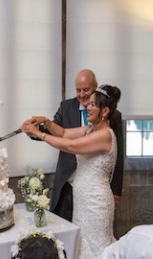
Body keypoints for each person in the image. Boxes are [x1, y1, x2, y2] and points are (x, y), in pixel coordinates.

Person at [20, 84, 121, 259]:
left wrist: (39, 134)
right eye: (88, 104)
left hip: (96, 204)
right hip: (82, 203)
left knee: (96, 246)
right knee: (82, 246)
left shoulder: (105, 135)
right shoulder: (89, 130)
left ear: (104, 112)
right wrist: (46, 121)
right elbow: (64, 133)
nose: (87, 107)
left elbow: (71, 145)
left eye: (92, 105)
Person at [46, 69, 123, 222]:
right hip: (67, 184)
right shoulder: (66, 107)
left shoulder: (113, 117)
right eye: (78, 90)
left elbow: (118, 154)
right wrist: (39, 127)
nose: (82, 95)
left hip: (96, 192)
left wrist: (116, 189)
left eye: (86, 90)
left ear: (96, 86)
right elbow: (59, 132)